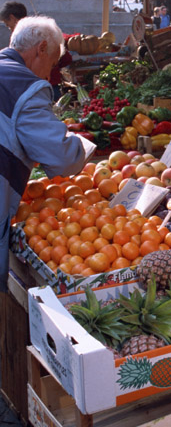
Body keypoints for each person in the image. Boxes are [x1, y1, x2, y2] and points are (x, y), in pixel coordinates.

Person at [0, 16, 94, 290]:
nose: (48, 76)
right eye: (52, 64)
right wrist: (81, 145)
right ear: (41, 48)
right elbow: (61, 157)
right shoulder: (25, 86)